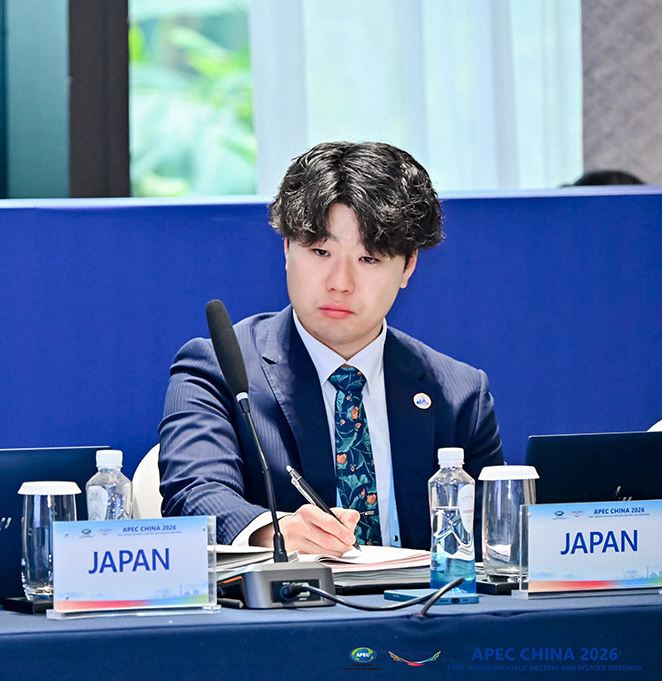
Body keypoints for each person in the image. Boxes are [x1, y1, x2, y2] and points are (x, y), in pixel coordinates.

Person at [158, 141, 503, 556]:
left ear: (408, 266)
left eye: (369, 259)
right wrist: (275, 532)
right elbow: (193, 493)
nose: (340, 283)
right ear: (288, 249)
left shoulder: (459, 393)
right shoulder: (219, 368)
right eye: (321, 251)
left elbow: (491, 540)